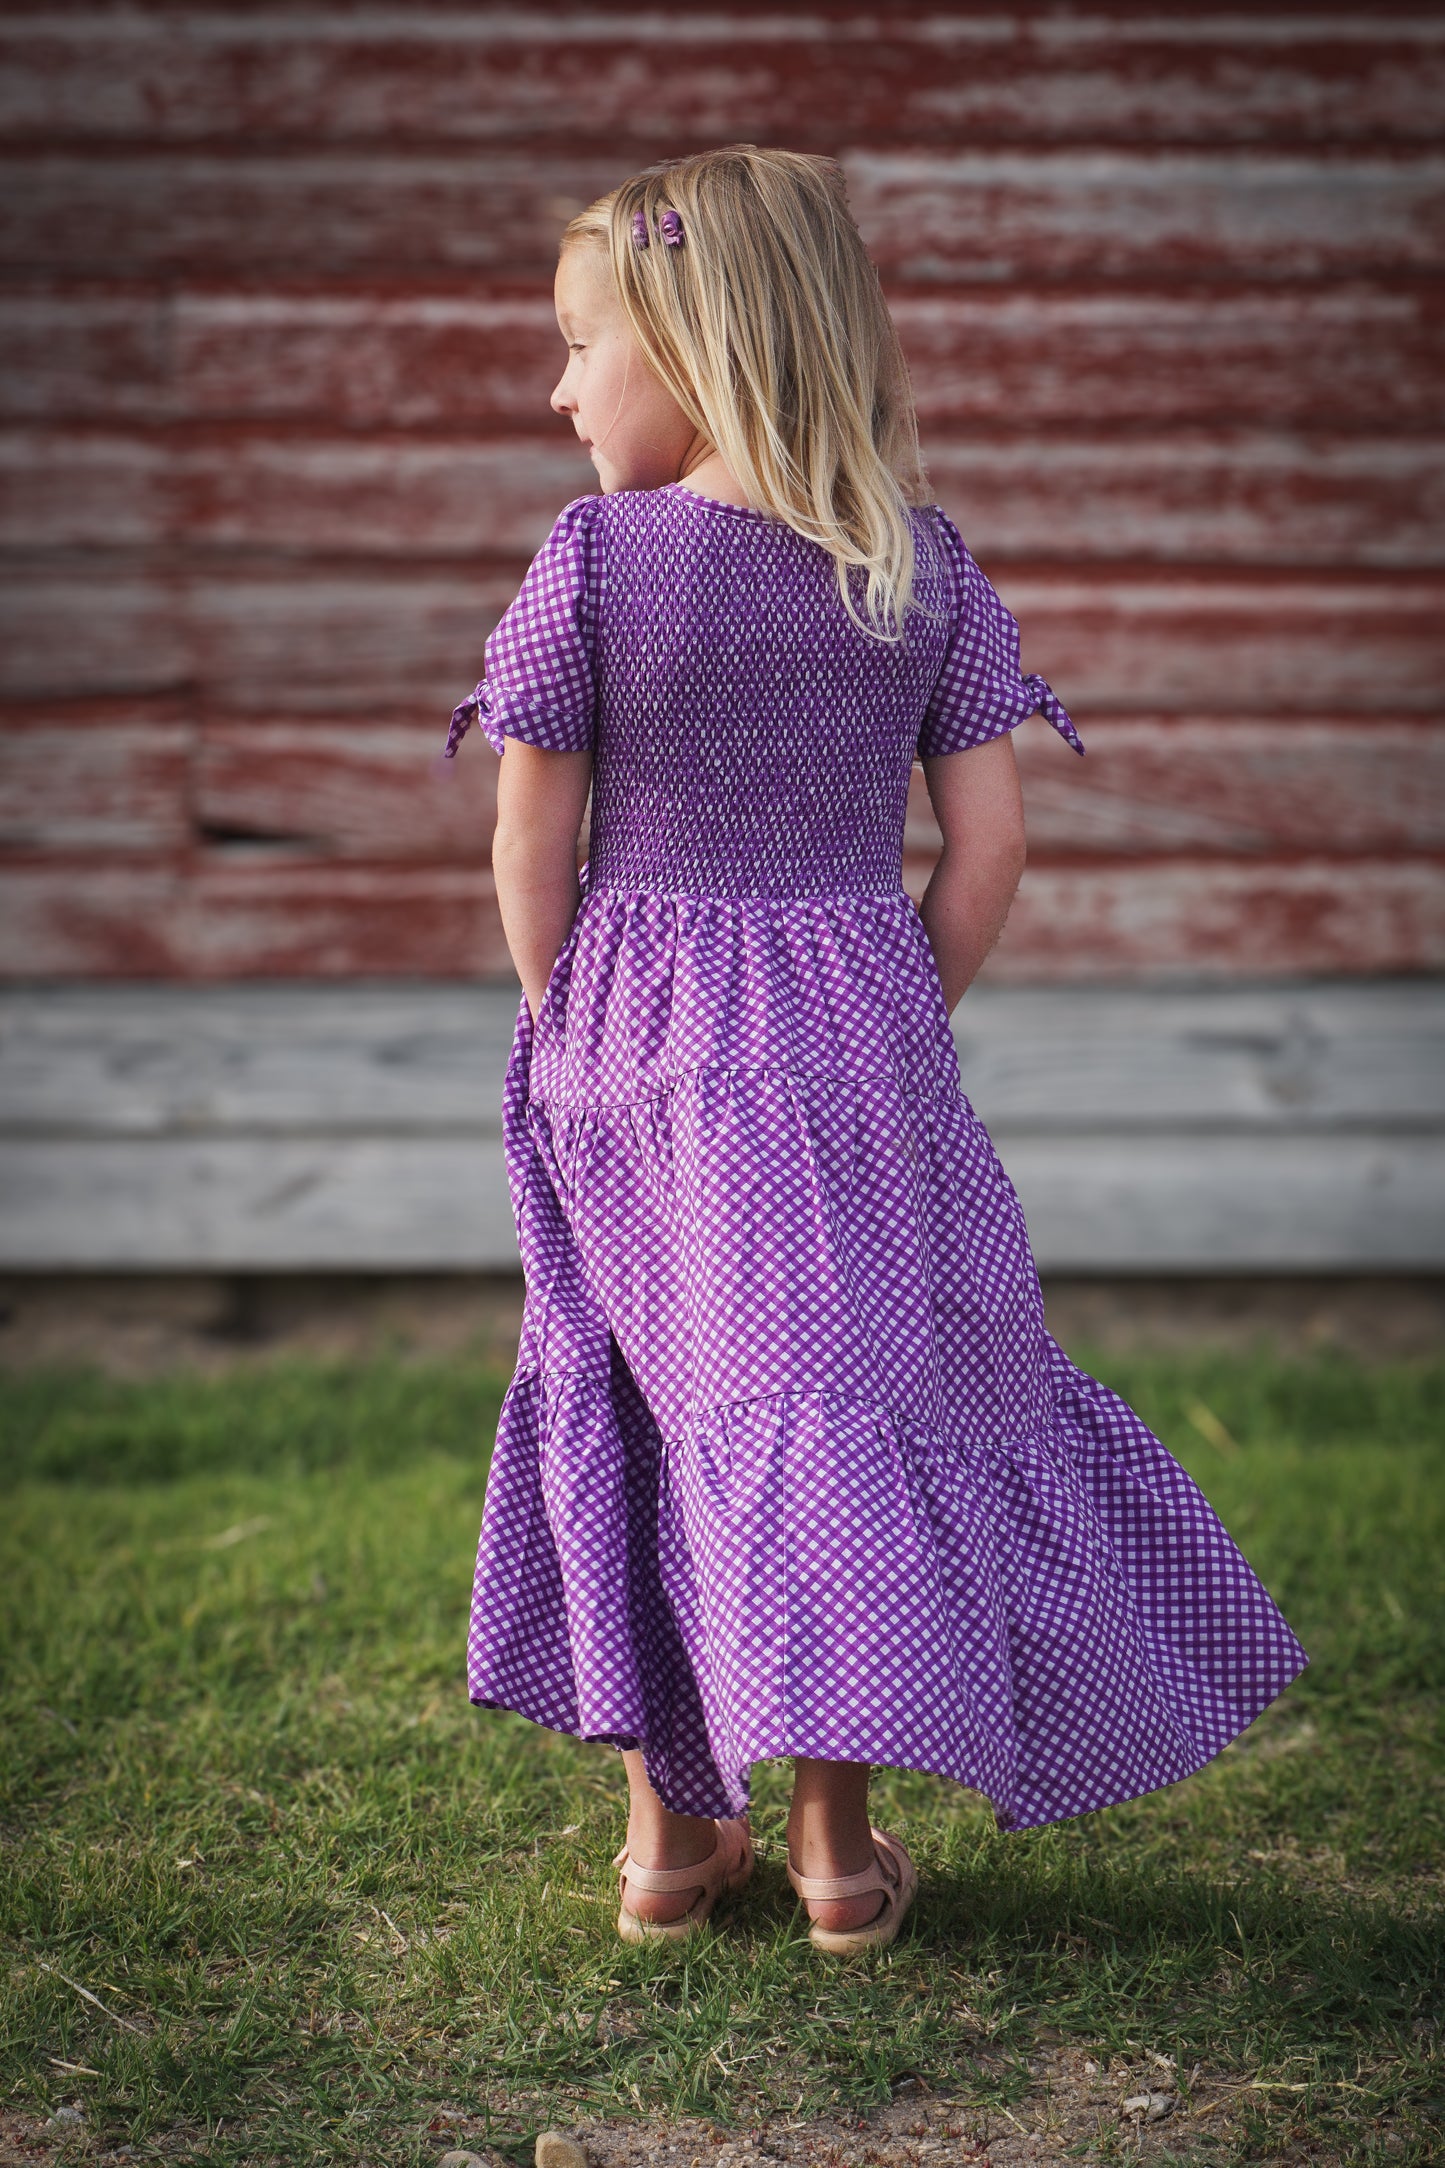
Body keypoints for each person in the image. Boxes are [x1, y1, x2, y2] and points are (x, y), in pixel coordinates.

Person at [442, 144, 1308, 1957]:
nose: (557, 388)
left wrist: (560, 1018)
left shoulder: (594, 559)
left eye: (578, 346)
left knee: (653, 1402)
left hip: (632, 1056)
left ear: (690, 343)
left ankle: (666, 1853)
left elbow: (531, 836)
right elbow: (989, 851)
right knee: (841, 1421)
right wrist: (890, 1019)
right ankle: (837, 1859)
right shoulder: (914, 564)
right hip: (858, 1053)